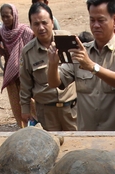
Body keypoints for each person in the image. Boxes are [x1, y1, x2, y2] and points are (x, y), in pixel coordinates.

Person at [47, 0, 115, 131]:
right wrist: (52, 64)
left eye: (101, 20)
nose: (95, 25)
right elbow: (55, 83)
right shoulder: (80, 52)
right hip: (86, 135)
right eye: (92, 20)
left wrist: (92, 67)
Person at [20, 3, 78, 131]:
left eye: (44, 23)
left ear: (52, 22)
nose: (41, 28)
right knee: (51, 142)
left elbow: (81, 69)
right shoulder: (28, 52)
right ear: (31, 26)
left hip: (72, 109)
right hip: (47, 112)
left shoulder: (67, 39)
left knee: (76, 141)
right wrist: (25, 109)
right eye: (36, 24)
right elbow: (25, 83)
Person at [0, 4, 34, 128]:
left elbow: (34, 45)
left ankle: (34, 125)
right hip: (10, 73)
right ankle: (21, 127)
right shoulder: (2, 32)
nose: (5, 19)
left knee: (29, 100)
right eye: (3, 17)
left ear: (14, 16)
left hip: (25, 72)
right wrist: (5, 53)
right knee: (15, 102)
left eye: (8, 16)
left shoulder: (25, 31)